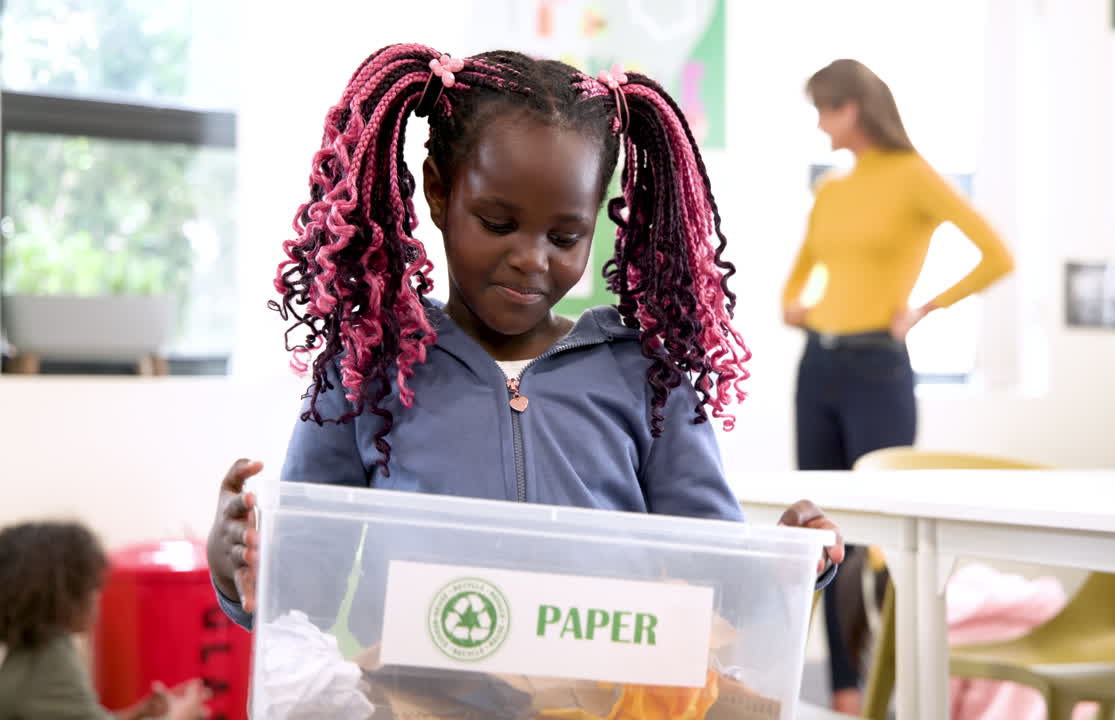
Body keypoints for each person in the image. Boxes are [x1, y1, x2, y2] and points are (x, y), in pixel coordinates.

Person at [205, 45, 844, 635]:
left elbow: (718, 588)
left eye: (565, 237)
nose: (531, 259)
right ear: (438, 190)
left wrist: (785, 564)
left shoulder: (648, 378)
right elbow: (301, 597)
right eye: (498, 223)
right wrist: (241, 567)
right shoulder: (367, 369)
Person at [783, 59, 1015, 715]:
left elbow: (997, 255)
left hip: (878, 370)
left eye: (824, 110)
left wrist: (926, 309)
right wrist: (795, 305)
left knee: (880, 538)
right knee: (822, 536)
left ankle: (895, 682)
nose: (821, 125)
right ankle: (844, 693)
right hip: (818, 368)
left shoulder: (914, 177)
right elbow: (794, 283)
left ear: (850, 108)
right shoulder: (830, 191)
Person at [0, 520, 210, 719]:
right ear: (63, 593)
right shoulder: (49, 660)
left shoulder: (33, 648)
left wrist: (137, 713)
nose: (96, 596)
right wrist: (179, 715)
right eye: (91, 586)